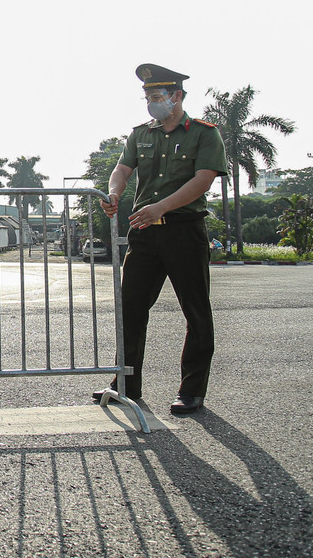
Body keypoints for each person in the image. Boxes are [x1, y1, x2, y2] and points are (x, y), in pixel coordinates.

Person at [96, 64, 227, 415]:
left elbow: (202, 180)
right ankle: (126, 382)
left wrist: (161, 208)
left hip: (184, 229)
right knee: (131, 309)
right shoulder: (141, 135)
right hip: (144, 233)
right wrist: (113, 195)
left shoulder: (204, 134)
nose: (151, 103)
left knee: (195, 311)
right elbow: (122, 170)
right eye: (148, 97)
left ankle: (192, 391)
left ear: (177, 97)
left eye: (157, 97)